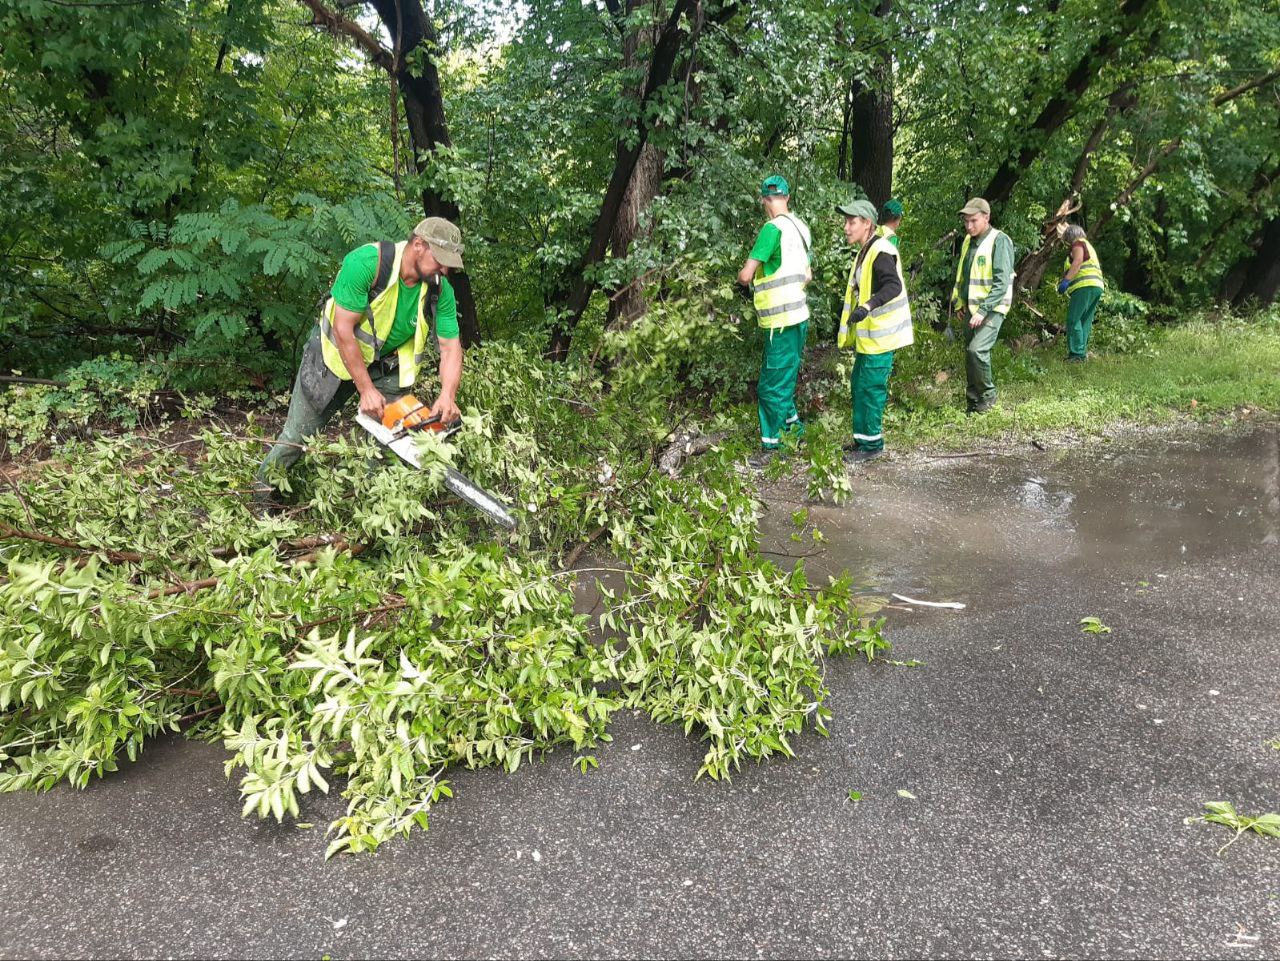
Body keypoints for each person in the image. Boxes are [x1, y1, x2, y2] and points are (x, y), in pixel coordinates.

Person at [253, 217, 466, 500]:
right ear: (418, 245)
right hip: (333, 359)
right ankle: (262, 498)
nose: (444, 268)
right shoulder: (367, 263)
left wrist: (447, 395)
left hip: (386, 366)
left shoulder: (440, 290)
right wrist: (365, 390)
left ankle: (367, 513)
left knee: (383, 446)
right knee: (296, 438)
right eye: (439, 259)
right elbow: (343, 329)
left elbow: (451, 347)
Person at [737, 174, 813, 469]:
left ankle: (772, 448)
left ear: (763, 200)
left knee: (770, 386)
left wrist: (743, 279)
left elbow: (745, 275)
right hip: (798, 317)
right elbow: (807, 274)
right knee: (783, 379)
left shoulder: (771, 230)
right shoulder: (801, 228)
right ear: (787, 198)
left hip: (780, 322)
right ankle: (795, 431)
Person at [835, 199, 913, 463]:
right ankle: (862, 440)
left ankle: (872, 446)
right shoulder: (865, 250)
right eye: (846, 221)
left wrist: (867, 306)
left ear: (867, 223)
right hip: (870, 338)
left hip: (883, 336)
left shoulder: (880, 250)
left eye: (851, 222)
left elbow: (894, 286)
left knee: (870, 388)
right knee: (860, 384)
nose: (846, 227)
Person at [950, 198, 1015, 414]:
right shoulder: (968, 241)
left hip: (992, 308)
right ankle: (973, 402)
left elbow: (1001, 281)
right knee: (969, 355)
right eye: (966, 222)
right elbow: (963, 275)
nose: (969, 226)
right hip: (970, 308)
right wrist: (959, 302)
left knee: (977, 350)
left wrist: (983, 310)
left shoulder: (1000, 240)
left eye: (973, 221)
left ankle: (988, 396)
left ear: (986, 217)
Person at [1056, 224, 1105, 362]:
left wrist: (1066, 281)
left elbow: (1077, 262)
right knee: (1085, 321)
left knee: (1073, 319)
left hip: (1084, 286)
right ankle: (1081, 353)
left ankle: (1076, 354)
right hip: (1096, 285)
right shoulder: (1088, 245)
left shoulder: (1078, 243)